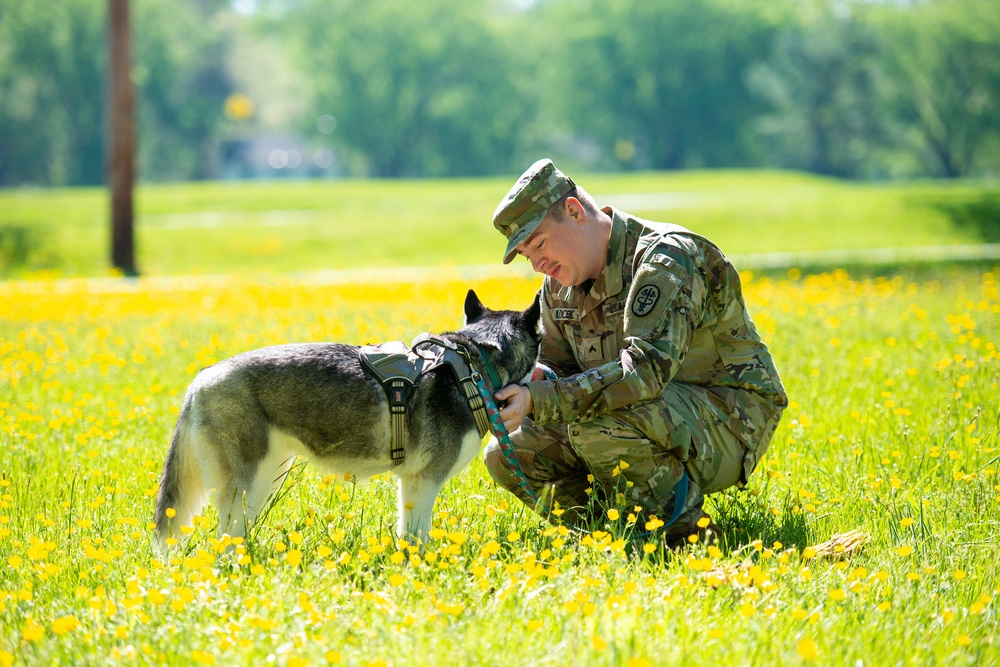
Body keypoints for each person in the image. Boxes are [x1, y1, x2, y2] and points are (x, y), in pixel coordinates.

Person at [483, 158, 788, 546]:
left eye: (539, 243)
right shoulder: (558, 286)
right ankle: (609, 535)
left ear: (575, 212)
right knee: (505, 453)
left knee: (598, 427)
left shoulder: (666, 260)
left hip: (730, 418)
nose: (538, 264)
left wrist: (541, 399)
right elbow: (556, 368)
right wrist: (530, 382)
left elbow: (643, 374)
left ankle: (688, 538)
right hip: (648, 416)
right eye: (528, 255)